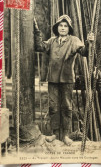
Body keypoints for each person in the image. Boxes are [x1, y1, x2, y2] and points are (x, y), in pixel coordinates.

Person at [34, 15, 94, 146]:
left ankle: (66, 135)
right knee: (53, 106)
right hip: (53, 79)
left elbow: (84, 52)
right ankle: (55, 133)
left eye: (65, 26)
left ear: (69, 28)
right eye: (60, 25)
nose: (62, 28)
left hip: (67, 79)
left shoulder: (74, 40)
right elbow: (39, 47)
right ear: (57, 28)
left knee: (67, 106)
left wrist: (89, 42)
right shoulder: (52, 41)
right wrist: (36, 30)